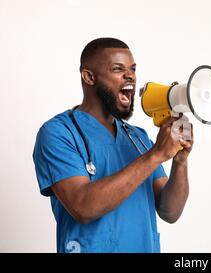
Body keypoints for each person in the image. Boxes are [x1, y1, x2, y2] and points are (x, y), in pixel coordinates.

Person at [32, 37, 193, 253]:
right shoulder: (58, 133)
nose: (130, 76)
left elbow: (170, 211)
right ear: (89, 77)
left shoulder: (138, 138)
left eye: (133, 69)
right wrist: (156, 154)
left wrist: (180, 161)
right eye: (118, 69)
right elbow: (82, 206)